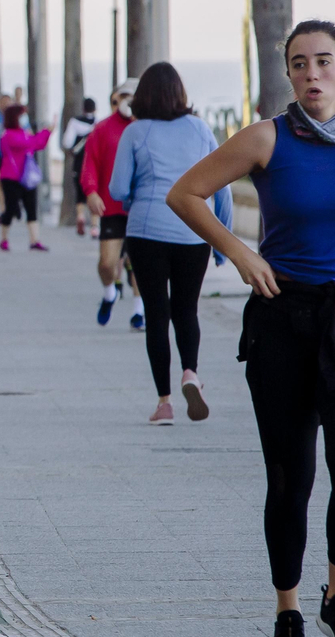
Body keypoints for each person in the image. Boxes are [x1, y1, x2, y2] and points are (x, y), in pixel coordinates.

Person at [168, 20, 335, 637]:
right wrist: (240, 253)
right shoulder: (265, 139)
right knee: (291, 477)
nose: (312, 74)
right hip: (283, 321)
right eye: (300, 64)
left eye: (324, 62)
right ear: (289, 73)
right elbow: (185, 193)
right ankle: (287, 613)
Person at [108, 64, 232, 425]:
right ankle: (190, 372)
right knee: (186, 309)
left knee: (156, 314)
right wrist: (222, 242)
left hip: (146, 231)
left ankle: (164, 403)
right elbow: (221, 187)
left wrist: (136, 195)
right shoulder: (198, 128)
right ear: (180, 93)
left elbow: (117, 189)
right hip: (194, 232)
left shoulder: (135, 132)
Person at [81, 79, 145, 330]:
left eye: (132, 96)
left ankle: (139, 311)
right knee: (107, 263)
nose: (127, 101)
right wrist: (91, 192)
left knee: (141, 263)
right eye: (123, 96)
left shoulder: (147, 128)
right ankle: (110, 293)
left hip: (141, 208)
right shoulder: (102, 129)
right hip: (111, 207)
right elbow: (90, 164)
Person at [0, 104, 50, 252]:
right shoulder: (8, 135)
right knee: (11, 209)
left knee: (31, 208)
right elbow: (31, 143)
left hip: (27, 177)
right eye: (22, 115)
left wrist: (46, 133)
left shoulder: (24, 132)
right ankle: (4, 239)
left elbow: (39, 145)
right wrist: (45, 132)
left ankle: (35, 240)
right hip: (11, 177)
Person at [62, 98, 97, 236]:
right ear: (94, 109)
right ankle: (94, 226)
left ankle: (81, 216)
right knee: (94, 191)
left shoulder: (75, 122)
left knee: (80, 193)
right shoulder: (98, 123)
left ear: (83, 108)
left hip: (79, 162)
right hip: (94, 162)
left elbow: (67, 142)